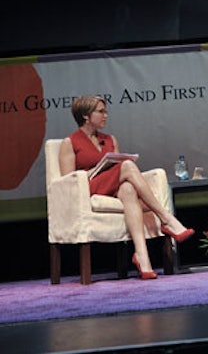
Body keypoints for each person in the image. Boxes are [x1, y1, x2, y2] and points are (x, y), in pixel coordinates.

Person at [59, 94, 194, 279]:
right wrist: (93, 171)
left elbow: (115, 167)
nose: (105, 115)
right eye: (101, 111)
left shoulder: (110, 139)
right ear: (85, 115)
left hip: (113, 186)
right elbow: (68, 180)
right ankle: (166, 218)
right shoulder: (70, 142)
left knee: (129, 189)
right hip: (89, 188)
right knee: (128, 166)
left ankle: (142, 257)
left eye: (105, 111)